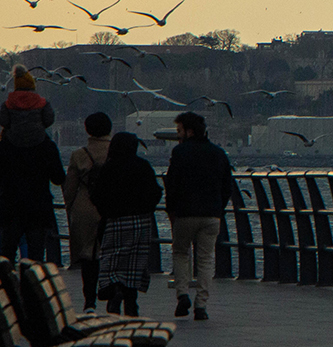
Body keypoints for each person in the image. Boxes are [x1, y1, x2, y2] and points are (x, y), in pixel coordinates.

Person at [164, 112, 232, 321]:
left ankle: (182, 294)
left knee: (181, 253)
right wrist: (218, 208)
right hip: (211, 214)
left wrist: (171, 210)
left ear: (189, 131)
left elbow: (172, 184)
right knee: (205, 259)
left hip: (185, 213)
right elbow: (227, 186)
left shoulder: (180, 152)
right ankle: (201, 304)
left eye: (179, 131)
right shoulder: (219, 153)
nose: (178, 135)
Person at [90, 132, 162, 316]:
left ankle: (115, 291)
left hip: (114, 221)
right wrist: (146, 209)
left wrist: (107, 212)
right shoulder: (143, 166)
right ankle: (131, 303)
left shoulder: (108, 168)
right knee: (133, 266)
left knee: (112, 263)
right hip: (140, 222)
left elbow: (97, 195)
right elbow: (155, 193)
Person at [0, 65, 63, 262]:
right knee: (36, 257)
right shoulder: (47, 147)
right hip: (38, 208)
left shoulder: (4, 147)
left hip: (9, 208)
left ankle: (7, 289)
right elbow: (59, 178)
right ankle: (31, 289)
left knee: (6, 255)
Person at [62, 113, 112, 310]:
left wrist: (70, 208)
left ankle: (89, 301)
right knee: (110, 252)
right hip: (110, 208)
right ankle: (109, 293)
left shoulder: (79, 155)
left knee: (88, 257)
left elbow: (70, 189)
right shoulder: (115, 151)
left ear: (87, 129)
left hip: (85, 208)